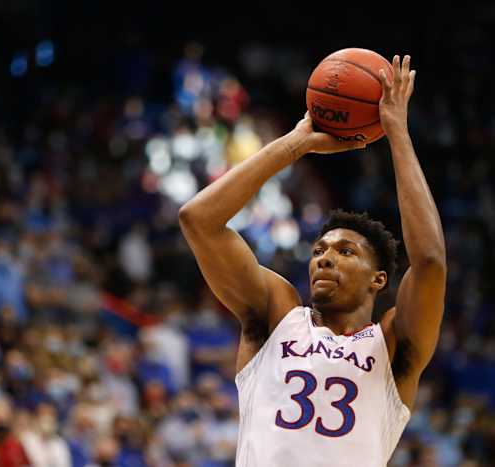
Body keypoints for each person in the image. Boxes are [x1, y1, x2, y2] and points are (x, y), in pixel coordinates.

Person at [179, 55, 446, 466]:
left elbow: (429, 262)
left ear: (378, 279)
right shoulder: (278, 314)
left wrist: (397, 133)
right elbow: (198, 220)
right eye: (319, 250)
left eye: (345, 252)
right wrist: (296, 144)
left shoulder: (393, 342)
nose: (324, 259)